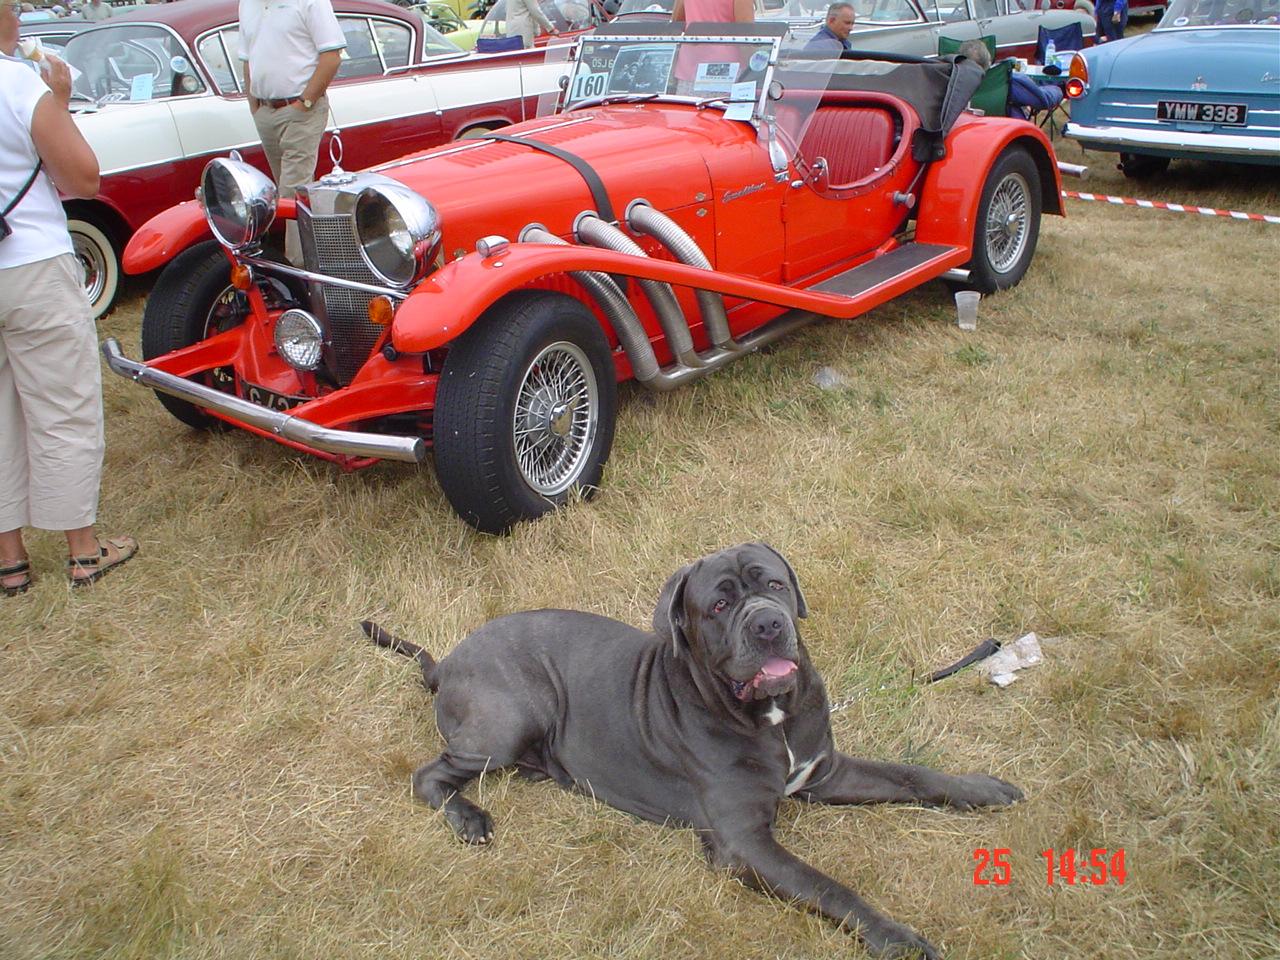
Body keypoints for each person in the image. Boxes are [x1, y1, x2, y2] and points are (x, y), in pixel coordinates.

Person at [1, 2, 137, 596]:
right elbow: (83, 178)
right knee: (63, 405)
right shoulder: (16, 82)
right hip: (30, 261)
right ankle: (83, 549)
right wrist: (56, 100)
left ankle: (9, 559)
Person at [237, 0, 345, 265]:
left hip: (301, 108)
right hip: (266, 109)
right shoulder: (247, 4)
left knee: (291, 193)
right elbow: (248, 59)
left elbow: (331, 56)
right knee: (286, 193)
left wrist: (305, 102)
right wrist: (254, 105)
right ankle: (318, 256)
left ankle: (296, 268)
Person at [957, 39, 1063, 121]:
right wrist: (1059, 89)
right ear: (989, 60)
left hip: (967, 134)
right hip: (1006, 134)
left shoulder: (953, 85)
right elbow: (1044, 100)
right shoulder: (1004, 80)